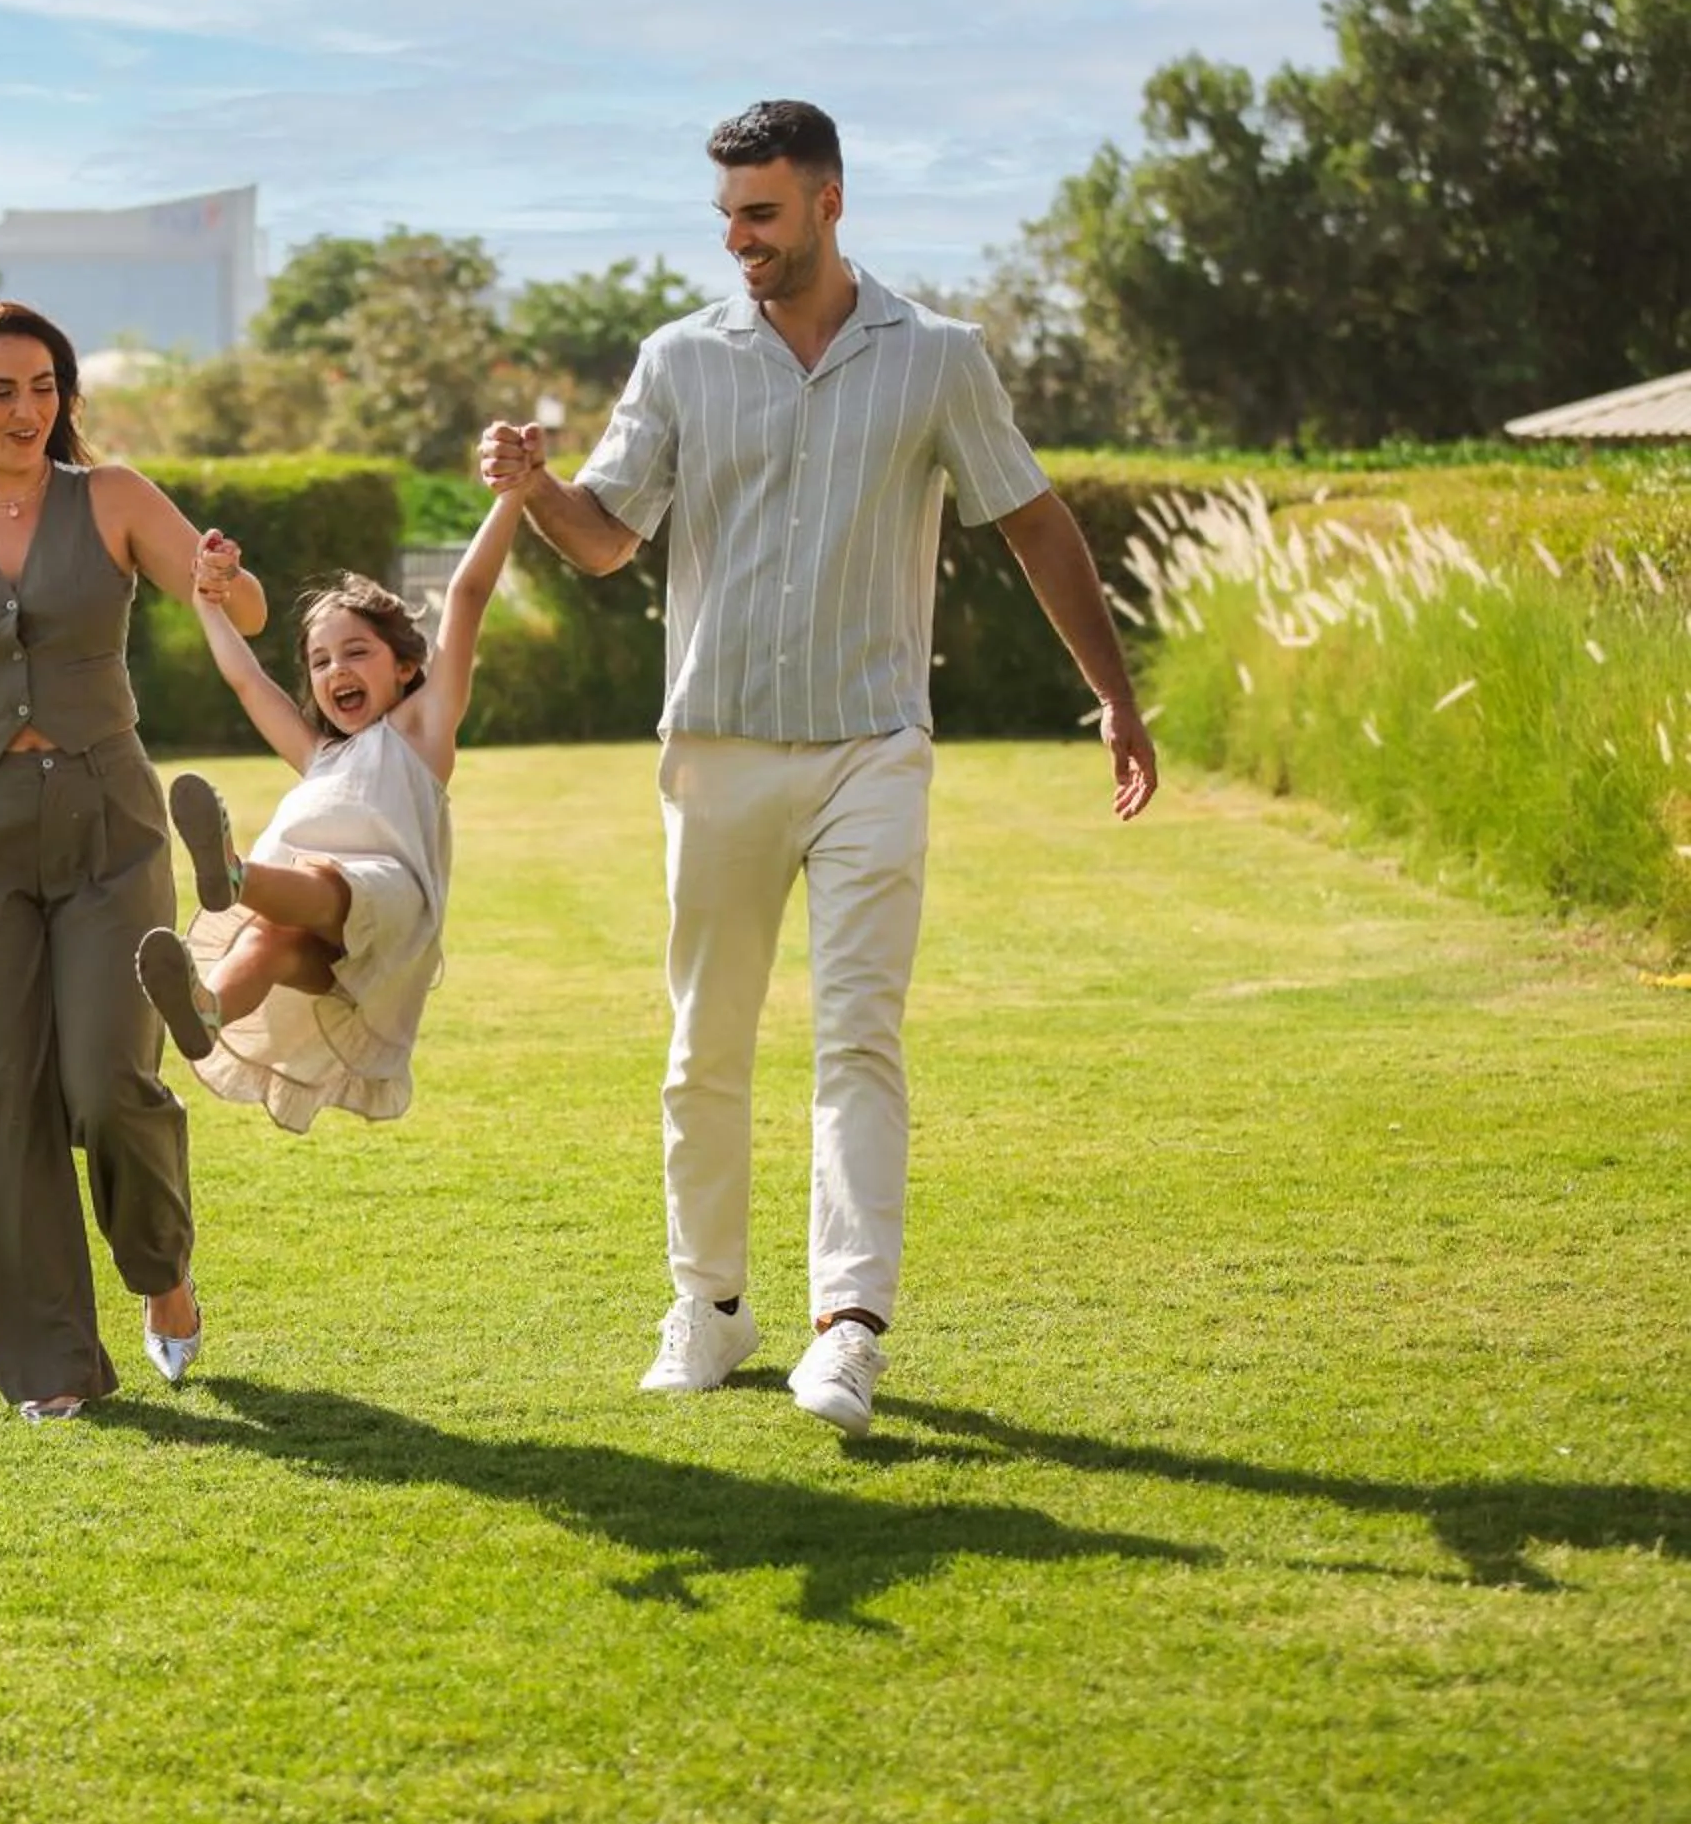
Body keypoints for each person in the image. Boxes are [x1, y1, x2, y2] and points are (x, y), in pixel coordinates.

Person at [477, 99, 1156, 1438]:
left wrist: (1115, 695)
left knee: (857, 1034)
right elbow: (607, 539)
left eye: (763, 214)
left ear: (830, 202)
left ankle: (849, 1326)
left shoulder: (938, 359)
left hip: (871, 746)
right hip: (716, 745)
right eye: (727, 216)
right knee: (704, 1047)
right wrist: (534, 486)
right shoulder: (679, 358)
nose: (740, 239)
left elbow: (1033, 521)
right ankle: (710, 1305)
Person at [0, 300, 270, 1424]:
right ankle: (52, 1366)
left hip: (108, 822)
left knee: (109, 1080)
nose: (27, 409)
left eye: (44, 388)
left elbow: (243, 608)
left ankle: (161, 1268)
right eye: (0, 390)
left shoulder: (112, 498)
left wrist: (225, 577)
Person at [133, 493, 519, 1133]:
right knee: (267, 939)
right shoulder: (319, 755)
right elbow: (248, 682)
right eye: (320, 661)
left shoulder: (422, 730)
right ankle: (207, 1008)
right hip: (331, 942)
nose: (336, 668)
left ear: (406, 666)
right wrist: (207, 604)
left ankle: (235, 877)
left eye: (356, 652)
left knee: (324, 878)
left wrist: (512, 496)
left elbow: (469, 592)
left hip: (389, 903)